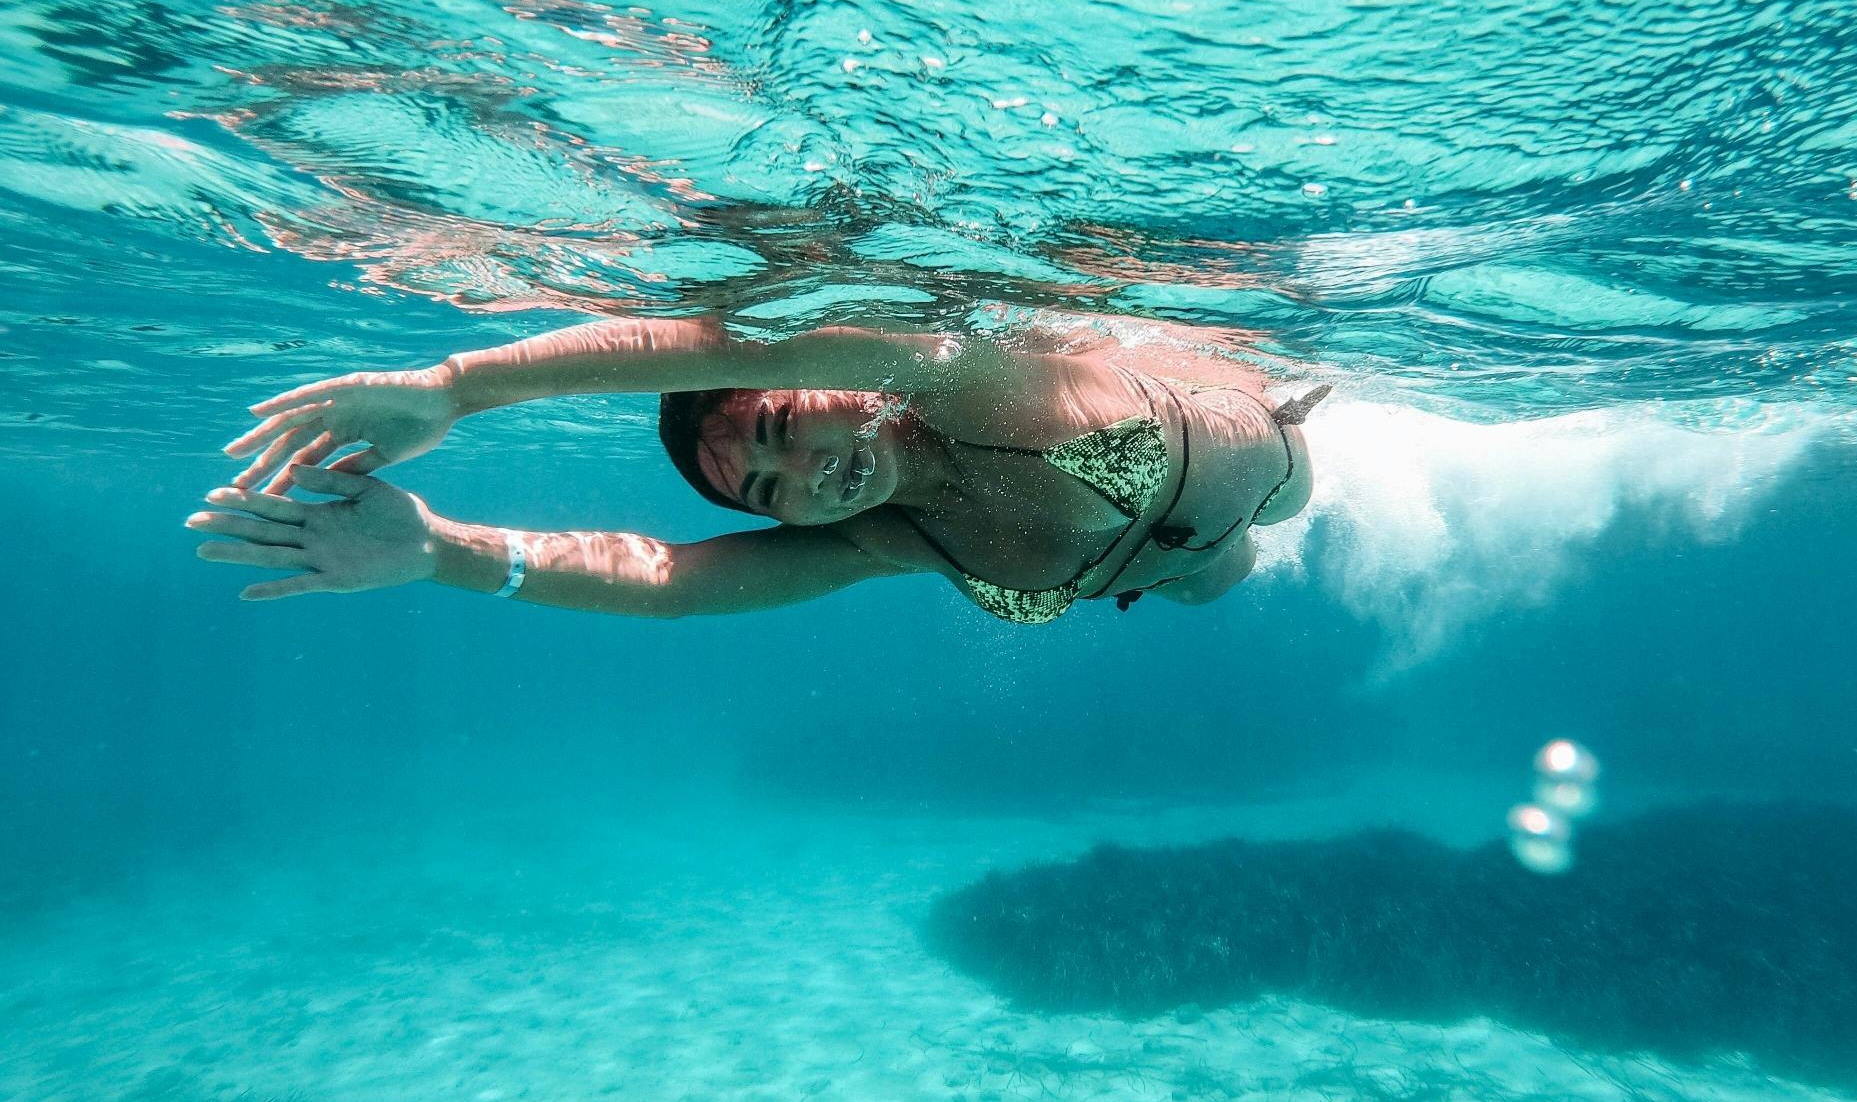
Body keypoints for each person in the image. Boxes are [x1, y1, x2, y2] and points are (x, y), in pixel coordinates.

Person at [186, 318, 1328, 623]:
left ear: (832, 379)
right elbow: (668, 579)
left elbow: (706, 343)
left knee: (1308, 498)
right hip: (1179, 576)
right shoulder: (879, 538)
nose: (807, 477)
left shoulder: (959, 380)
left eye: (783, 426)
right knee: (1234, 575)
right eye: (766, 490)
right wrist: (441, 552)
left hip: (1266, 454)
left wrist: (453, 387)